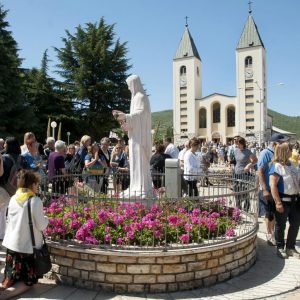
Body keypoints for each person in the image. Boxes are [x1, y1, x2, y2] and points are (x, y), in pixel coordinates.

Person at [0, 170, 49, 299]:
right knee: (29, 282)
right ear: (32, 184)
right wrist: (47, 219)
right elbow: (42, 225)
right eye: (37, 184)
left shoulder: (13, 198)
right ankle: (4, 296)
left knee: (10, 278)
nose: (37, 187)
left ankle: (3, 289)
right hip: (27, 249)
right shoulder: (35, 201)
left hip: (11, 245)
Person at [114, 74, 152, 198]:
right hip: (134, 137)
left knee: (140, 162)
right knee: (135, 163)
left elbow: (141, 116)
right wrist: (126, 124)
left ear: (135, 84)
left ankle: (141, 188)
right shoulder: (135, 98)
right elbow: (135, 119)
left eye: (130, 85)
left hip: (140, 138)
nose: (129, 88)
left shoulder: (141, 97)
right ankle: (135, 186)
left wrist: (126, 116)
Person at [269, 142, 300, 259]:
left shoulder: (291, 164)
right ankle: (280, 247)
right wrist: (278, 202)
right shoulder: (276, 166)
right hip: (283, 200)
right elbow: (273, 186)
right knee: (281, 225)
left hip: (295, 200)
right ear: (284, 151)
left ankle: (290, 247)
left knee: (295, 224)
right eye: (290, 150)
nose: (292, 152)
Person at [257, 133, 289, 246]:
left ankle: (273, 234)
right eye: (281, 143)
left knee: (274, 214)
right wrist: (264, 189)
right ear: (275, 143)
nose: (283, 145)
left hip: (276, 188)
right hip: (268, 189)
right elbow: (260, 171)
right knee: (269, 214)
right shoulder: (265, 153)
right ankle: (269, 235)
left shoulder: (277, 153)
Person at [0, 137, 22, 240]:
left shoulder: (4, 158)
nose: (4, 145)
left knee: (1, 212)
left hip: (3, 187)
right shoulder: (21, 158)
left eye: (5, 144)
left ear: (8, 145)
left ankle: (1, 235)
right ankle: (5, 234)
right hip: (15, 189)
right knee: (6, 212)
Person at [233, 136, 257, 210]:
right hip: (236, 173)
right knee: (236, 189)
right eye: (236, 143)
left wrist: (249, 165)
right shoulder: (236, 150)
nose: (237, 145)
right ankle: (238, 206)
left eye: (239, 143)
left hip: (244, 173)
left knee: (244, 190)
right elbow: (236, 161)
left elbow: (255, 160)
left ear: (243, 144)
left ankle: (247, 206)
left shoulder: (248, 151)